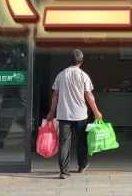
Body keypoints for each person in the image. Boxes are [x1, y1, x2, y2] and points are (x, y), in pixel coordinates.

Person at [44, 49, 102, 179]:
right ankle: (82, 166)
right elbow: (89, 95)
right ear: (81, 61)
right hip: (80, 114)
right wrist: (96, 111)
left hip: (64, 114)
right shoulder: (83, 76)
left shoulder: (61, 75)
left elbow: (55, 95)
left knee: (64, 143)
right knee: (82, 141)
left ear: (69, 60)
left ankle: (64, 171)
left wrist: (51, 111)